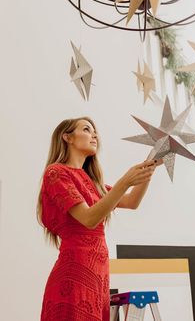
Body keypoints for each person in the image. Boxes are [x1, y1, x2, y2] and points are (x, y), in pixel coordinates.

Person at [37, 116, 162, 321]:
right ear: (67, 137)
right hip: (74, 274)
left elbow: (131, 202)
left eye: (95, 131)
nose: (94, 134)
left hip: (98, 277)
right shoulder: (56, 173)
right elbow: (88, 219)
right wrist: (124, 181)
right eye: (87, 129)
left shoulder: (93, 182)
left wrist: (151, 165)